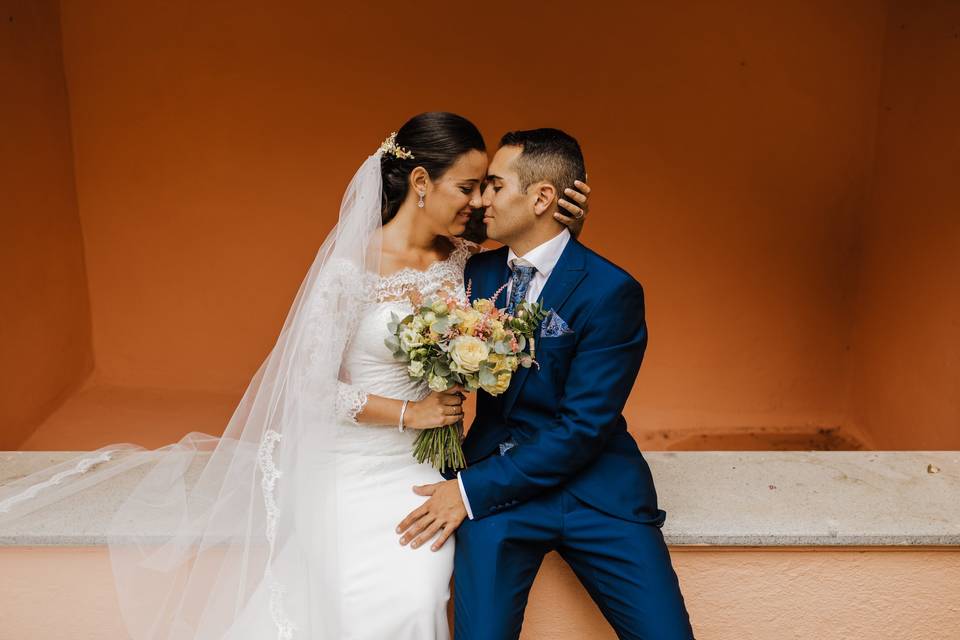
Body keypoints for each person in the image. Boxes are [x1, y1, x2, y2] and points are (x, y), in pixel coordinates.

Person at [0, 112, 589, 639]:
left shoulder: (466, 260)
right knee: (352, 604)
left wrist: (564, 219)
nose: (480, 201)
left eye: (488, 186)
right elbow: (309, 387)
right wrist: (414, 413)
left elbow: (533, 262)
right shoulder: (348, 271)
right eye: (468, 186)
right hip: (353, 465)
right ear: (419, 182)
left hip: (427, 467)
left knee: (418, 599)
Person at [396, 128, 695, 639]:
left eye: (494, 185)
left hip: (597, 496)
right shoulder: (470, 272)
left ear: (540, 198)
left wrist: (465, 491)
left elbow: (583, 428)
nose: (481, 200)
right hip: (498, 500)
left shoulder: (611, 290)